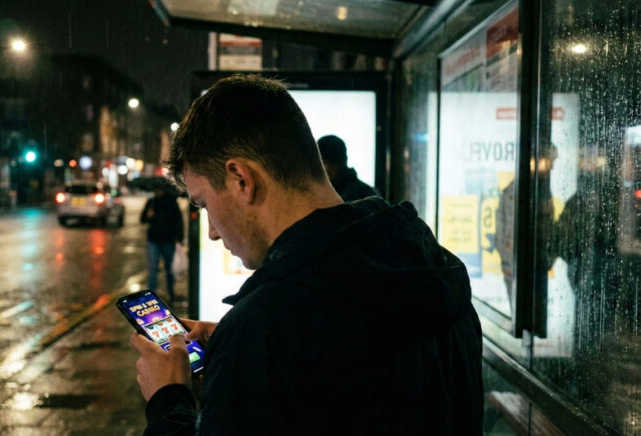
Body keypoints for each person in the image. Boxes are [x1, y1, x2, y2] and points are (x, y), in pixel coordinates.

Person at [129, 74, 483, 435]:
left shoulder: (267, 332)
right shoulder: (433, 267)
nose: (213, 232)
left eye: (204, 204)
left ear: (241, 179)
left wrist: (169, 400)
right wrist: (237, 342)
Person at [140, 180, 184, 302]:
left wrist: (179, 239)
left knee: (169, 269)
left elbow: (178, 222)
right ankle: (151, 296)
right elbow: (142, 219)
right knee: (152, 268)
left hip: (168, 240)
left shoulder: (171, 203)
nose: (157, 192)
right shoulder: (151, 202)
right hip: (153, 240)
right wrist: (147, 216)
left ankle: (171, 292)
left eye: (158, 190)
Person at [317, 134, 379, 201]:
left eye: (326, 163)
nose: (325, 169)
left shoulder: (365, 196)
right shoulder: (367, 194)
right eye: (320, 164)